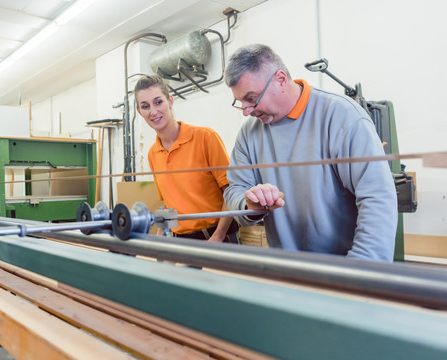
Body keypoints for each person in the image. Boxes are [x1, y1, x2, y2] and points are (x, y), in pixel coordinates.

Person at [223, 44, 397, 261]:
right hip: (287, 270)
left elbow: (378, 197)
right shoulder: (249, 133)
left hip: (345, 269)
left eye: (251, 98)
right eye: (241, 103)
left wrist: (361, 268)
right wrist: (249, 205)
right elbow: (235, 189)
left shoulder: (342, 116)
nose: (247, 111)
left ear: (280, 80)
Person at [134, 74, 239, 243]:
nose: (153, 111)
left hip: (218, 238)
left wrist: (218, 236)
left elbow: (231, 191)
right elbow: (169, 204)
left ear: (170, 101)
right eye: (145, 106)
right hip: (181, 242)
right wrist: (161, 235)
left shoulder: (205, 137)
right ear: (139, 112)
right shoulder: (153, 153)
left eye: (158, 102)